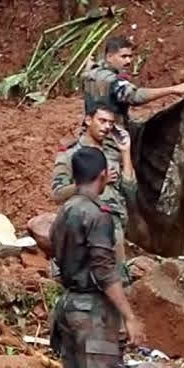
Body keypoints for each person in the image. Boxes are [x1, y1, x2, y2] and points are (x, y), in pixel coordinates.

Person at [49, 146, 145, 368]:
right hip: (92, 312)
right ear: (103, 175)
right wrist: (129, 316)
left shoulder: (64, 212)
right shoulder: (99, 215)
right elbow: (106, 273)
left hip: (67, 306)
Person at [52, 102, 137, 277]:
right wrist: (89, 182)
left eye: (111, 123)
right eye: (102, 121)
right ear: (89, 120)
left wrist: (126, 152)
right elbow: (58, 194)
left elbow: (130, 190)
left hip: (115, 226)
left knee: (117, 278)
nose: (107, 127)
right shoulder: (70, 154)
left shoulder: (113, 153)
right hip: (86, 227)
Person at [82, 36, 184, 144]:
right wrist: (173, 89)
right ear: (110, 57)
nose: (128, 61)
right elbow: (134, 97)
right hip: (109, 141)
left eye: (130, 56)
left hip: (89, 136)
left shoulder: (92, 74)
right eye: (123, 56)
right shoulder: (113, 80)